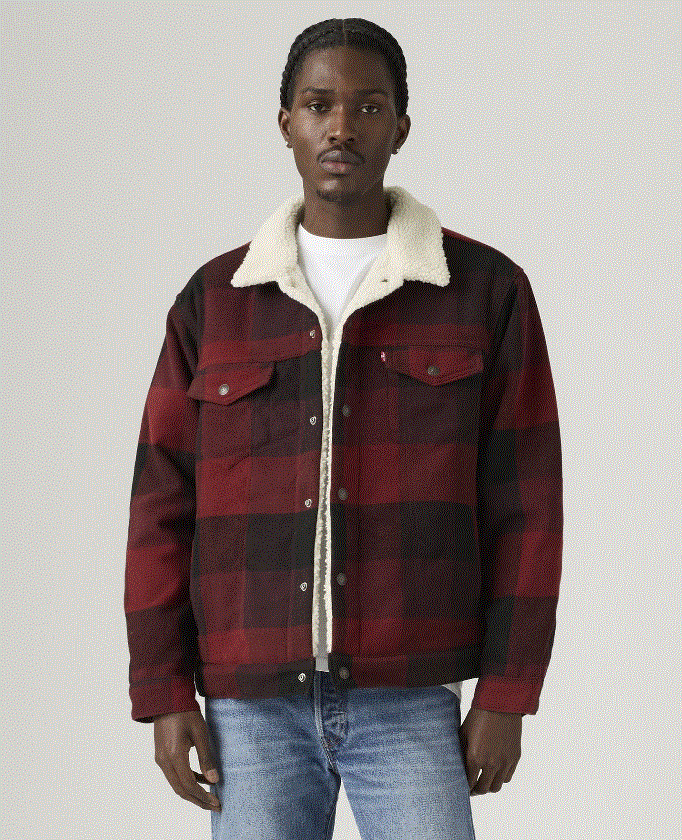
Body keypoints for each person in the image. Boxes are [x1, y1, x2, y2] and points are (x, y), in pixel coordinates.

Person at [124, 17, 563, 840]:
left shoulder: (483, 291)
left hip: (411, 696)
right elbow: (160, 506)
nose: (341, 127)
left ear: (401, 126)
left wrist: (507, 692)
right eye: (319, 105)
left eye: (368, 107)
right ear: (285, 121)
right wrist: (163, 688)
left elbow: (528, 507)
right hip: (249, 706)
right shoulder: (215, 302)